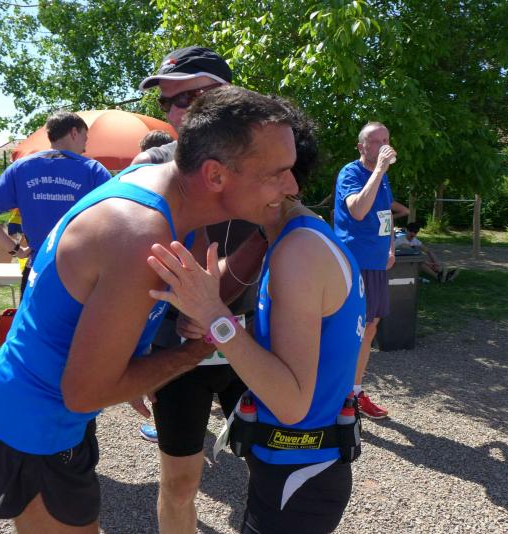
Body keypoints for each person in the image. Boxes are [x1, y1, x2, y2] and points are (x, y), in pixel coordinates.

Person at [0, 86, 299, 532]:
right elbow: (84, 392)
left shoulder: (171, 192)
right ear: (216, 176)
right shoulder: (139, 233)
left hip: (55, 412)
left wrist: (204, 303)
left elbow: (200, 282)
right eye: (278, 173)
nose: (292, 187)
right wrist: (194, 351)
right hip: (32, 420)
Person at [146, 102, 365, 534]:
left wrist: (215, 315)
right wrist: (215, 323)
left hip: (299, 472)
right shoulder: (298, 237)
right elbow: (304, 342)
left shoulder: (297, 252)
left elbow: (291, 403)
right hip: (299, 469)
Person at [131, 46, 269, 534]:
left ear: (226, 97)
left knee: (271, 472)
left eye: (187, 98)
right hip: (177, 350)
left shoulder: (265, 165)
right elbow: (132, 270)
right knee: (179, 484)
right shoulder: (150, 164)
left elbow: (284, 243)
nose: (175, 112)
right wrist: (133, 357)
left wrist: (216, 307)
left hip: (248, 345)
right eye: (167, 101)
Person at [0, 111, 112, 295]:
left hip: (37, 270)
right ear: (74, 133)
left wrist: (15, 250)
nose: (85, 148)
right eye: (85, 139)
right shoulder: (93, 171)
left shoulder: (20, 168)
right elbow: (115, 221)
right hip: (80, 273)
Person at [333, 121, 398, 420]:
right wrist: (379, 170)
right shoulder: (351, 173)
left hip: (376, 263)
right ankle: (336, 394)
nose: (383, 146)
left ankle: (355, 391)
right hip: (355, 262)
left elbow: (386, 215)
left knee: (370, 328)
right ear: (361, 146)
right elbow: (358, 210)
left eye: (386, 140)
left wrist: (391, 248)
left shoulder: (382, 178)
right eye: (376, 141)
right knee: (350, 329)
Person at [395, 222, 460, 282]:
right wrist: (427, 263)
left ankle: (442, 273)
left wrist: (436, 262)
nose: (413, 233)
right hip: (399, 264)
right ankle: (438, 276)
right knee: (420, 263)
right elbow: (413, 255)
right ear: (406, 230)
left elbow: (428, 251)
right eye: (411, 231)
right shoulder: (400, 241)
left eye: (415, 232)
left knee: (429, 260)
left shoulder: (415, 240)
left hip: (410, 262)